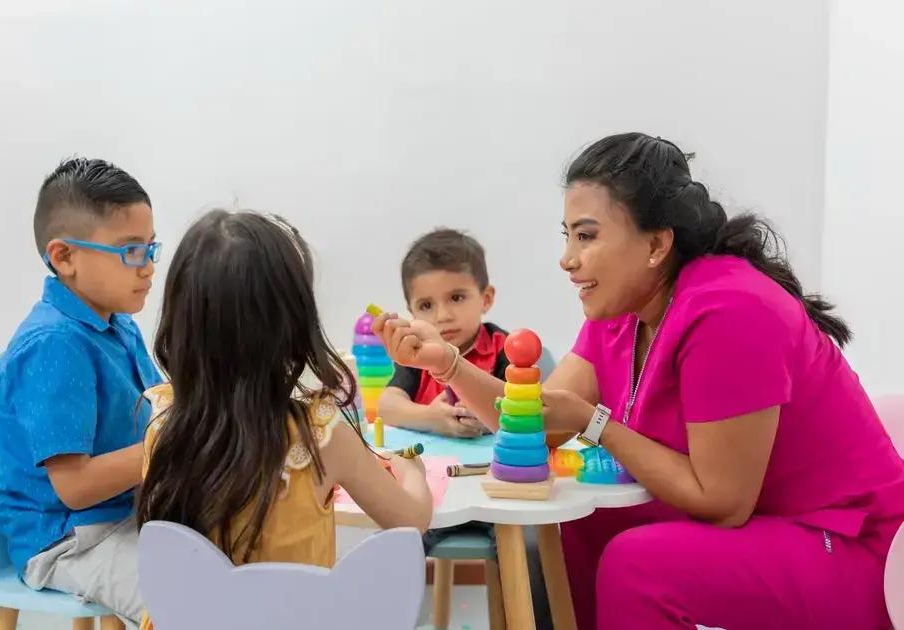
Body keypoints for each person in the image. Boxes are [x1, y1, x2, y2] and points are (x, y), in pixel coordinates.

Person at [373, 132, 904, 629]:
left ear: (655, 244)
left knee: (637, 564)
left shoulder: (730, 309)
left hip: (856, 548)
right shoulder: (621, 311)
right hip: (772, 529)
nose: (567, 259)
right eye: (568, 237)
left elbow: (723, 501)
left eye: (587, 236)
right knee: (581, 524)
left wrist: (595, 423)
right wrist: (448, 365)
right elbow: (538, 421)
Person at [136, 210, 433, 629]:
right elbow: (412, 520)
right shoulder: (322, 435)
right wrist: (411, 470)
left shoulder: (163, 425)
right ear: (292, 324)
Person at [0, 158, 162, 624]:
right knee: (179, 596)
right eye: (131, 252)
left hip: (120, 516)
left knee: (235, 552)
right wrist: (166, 444)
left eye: (150, 249)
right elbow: (76, 487)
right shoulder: (55, 345)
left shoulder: (118, 324)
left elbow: (156, 405)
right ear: (64, 257)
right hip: (66, 539)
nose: (148, 269)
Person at [379, 228, 506, 438]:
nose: (443, 316)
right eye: (426, 305)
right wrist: (432, 418)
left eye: (456, 298)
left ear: (486, 298)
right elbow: (386, 407)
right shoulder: (416, 352)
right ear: (412, 312)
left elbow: (528, 412)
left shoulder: (503, 346)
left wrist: (485, 417)